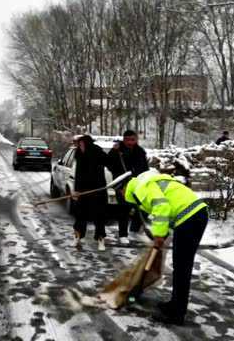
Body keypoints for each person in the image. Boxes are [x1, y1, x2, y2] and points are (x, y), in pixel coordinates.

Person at [123, 170, 208, 325]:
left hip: (189, 218)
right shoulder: (151, 182)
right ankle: (174, 305)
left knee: (182, 268)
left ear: (129, 191)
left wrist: (159, 235)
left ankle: (177, 314)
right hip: (194, 215)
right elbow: (167, 208)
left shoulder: (142, 188)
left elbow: (161, 208)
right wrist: (161, 234)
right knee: (180, 267)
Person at [107, 130, 149, 245]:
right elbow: (110, 166)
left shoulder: (140, 151)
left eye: (133, 140)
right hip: (122, 184)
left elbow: (145, 169)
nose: (131, 142)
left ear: (136, 139)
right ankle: (123, 235)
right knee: (123, 210)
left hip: (137, 184)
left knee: (142, 207)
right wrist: (114, 153)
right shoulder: (117, 150)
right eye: (128, 140)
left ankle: (135, 230)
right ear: (124, 139)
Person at [72, 135, 109, 251]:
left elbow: (109, 161)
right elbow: (78, 174)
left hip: (98, 190)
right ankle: (78, 236)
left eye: (82, 144)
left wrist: (115, 151)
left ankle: (100, 238)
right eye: (79, 144)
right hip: (83, 190)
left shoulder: (97, 152)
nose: (80, 146)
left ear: (88, 144)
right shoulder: (78, 154)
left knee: (99, 216)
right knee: (80, 215)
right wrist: (76, 190)